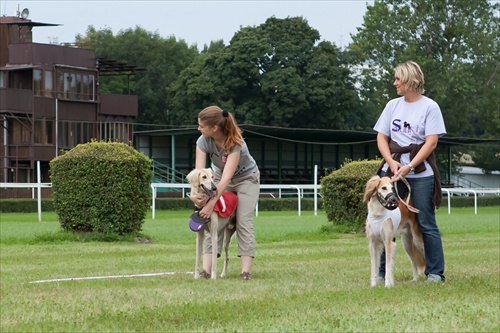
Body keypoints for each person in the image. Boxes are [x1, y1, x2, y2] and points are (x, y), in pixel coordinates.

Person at [373, 60, 446, 283]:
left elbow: (431, 142)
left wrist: (410, 165)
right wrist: (391, 163)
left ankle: (434, 272)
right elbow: (381, 137)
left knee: (425, 221)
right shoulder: (392, 105)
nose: (394, 82)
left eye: (398, 79)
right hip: (393, 172)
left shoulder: (430, 107)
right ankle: (383, 272)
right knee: (387, 219)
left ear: (409, 81)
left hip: (421, 174)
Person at [190, 105, 260, 280]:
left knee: (243, 221)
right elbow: (199, 173)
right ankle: (206, 271)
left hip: (246, 179)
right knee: (213, 218)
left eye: (201, 126)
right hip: (218, 179)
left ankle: (245, 272)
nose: (198, 129)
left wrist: (211, 202)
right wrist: (195, 196)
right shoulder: (202, 141)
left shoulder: (236, 143)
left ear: (214, 128)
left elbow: (228, 178)